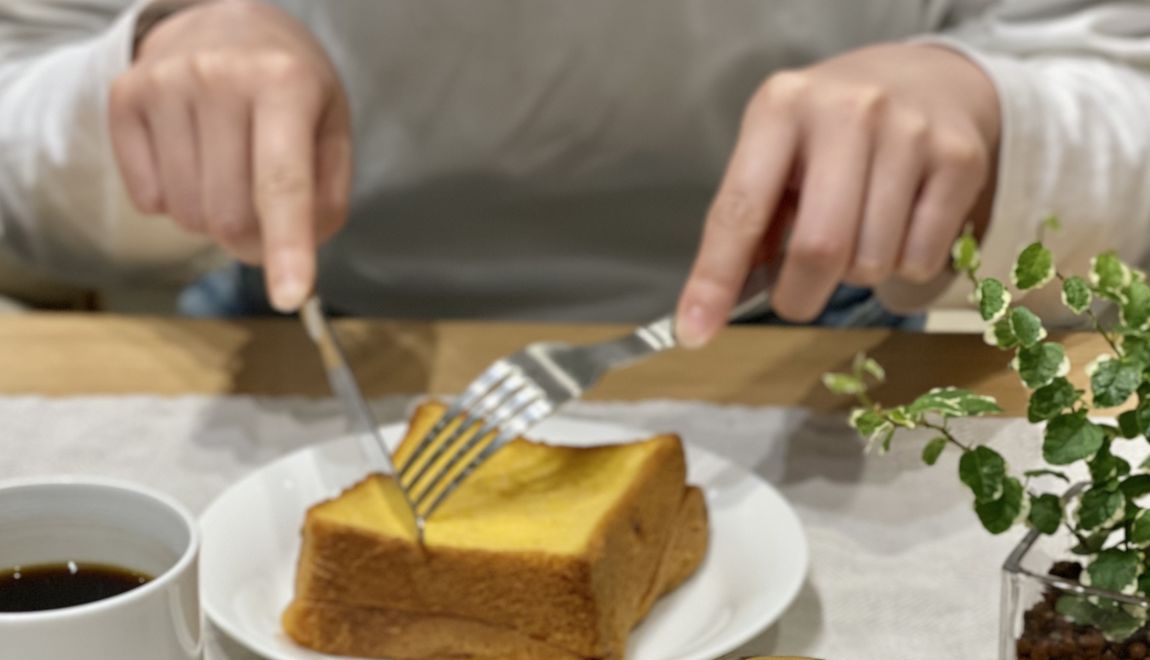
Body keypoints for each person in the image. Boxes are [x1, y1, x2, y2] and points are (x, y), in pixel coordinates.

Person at [0, 1, 1147, 340]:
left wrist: (993, 120)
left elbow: (1117, 89)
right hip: (303, 333)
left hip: (818, 350)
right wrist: (149, 79)